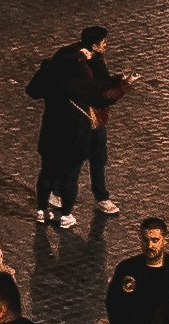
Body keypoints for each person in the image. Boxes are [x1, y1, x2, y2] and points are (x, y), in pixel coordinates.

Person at [24, 29, 119, 237]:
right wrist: (123, 82)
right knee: (71, 176)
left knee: (47, 172)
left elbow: (32, 90)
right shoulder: (80, 80)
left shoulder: (52, 76)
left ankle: (41, 211)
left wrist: (45, 67)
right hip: (75, 134)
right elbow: (104, 92)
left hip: (50, 132)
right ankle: (66, 215)